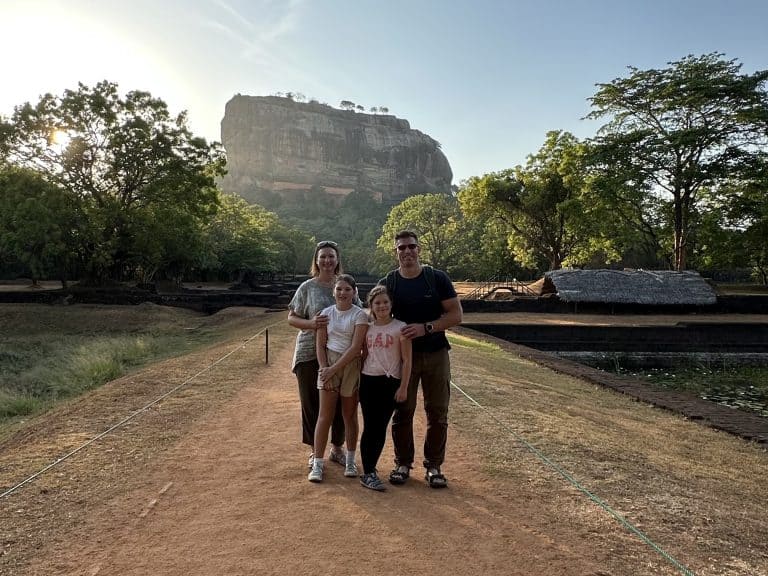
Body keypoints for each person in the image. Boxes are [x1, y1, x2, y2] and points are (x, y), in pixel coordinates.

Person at [379, 230, 463, 488]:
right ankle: (402, 463)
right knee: (402, 410)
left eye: (411, 247)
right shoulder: (389, 283)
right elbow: (376, 314)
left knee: (437, 411)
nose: (407, 252)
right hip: (403, 358)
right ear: (395, 252)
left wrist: (425, 327)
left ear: (419, 249)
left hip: (436, 352)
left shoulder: (436, 279)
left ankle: (434, 465)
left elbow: (455, 315)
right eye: (401, 248)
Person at [288, 241, 352, 471]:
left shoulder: (344, 285)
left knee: (339, 403)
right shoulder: (308, 287)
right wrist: (311, 324)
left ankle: (336, 447)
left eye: (331, 257)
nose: (327, 261)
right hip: (308, 352)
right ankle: (315, 452)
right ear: (316, 260)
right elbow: (291, 317)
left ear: (337, 260)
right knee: (311, 404)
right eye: (322, 256)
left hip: (337, 353)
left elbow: (359, 311)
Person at [308, 274, 369, 483]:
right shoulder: (326, 314)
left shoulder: (359, 315)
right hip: (329, 362)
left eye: (347, 290)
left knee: (349, 415)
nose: (343, 293)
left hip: (349, 364)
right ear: (333, 292)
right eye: (339, 289)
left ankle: (351, 459)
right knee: (324, 416)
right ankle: (317, 463)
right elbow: (320, 344)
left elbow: (355, 348)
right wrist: (324, 368)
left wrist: (332, 369)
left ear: (354, 292)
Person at [358, 285, 412, 491]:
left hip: (390, 382)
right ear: (371, 306)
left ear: (391, 304)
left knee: (380, 426)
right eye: (377, 303)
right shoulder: (368, 328)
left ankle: (370, 468)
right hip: (368, 379)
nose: (381, 306)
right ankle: (369, 471)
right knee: (370, 425)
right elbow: (363, 354)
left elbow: (407, 360)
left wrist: (404, 387)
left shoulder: (400, 327)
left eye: (385, 302)